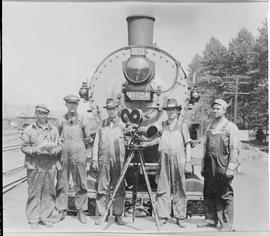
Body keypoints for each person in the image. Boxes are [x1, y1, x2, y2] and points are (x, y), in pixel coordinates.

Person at [197, 99, 239, 232]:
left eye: (218, 108)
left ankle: (226, 223)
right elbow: (205, 148)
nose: (215, 111)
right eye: (214, 109)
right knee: (208, 191)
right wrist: (203, 165)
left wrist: (231, 168)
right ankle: (210, 219)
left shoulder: (230, 127)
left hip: (223, 164)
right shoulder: (210, 126)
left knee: (224, 193)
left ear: (224, 110)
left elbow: (234, 149)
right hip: (210, 164)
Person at [53, 95, 92, 224]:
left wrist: (84, 150)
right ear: (66, 105)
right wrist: (56, 159)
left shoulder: (83, 120)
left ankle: (81, 211)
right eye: (70, 104)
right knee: (61, 183)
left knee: (81, 183)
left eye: (74, 104)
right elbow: (54, 141)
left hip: (79, 155)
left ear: (77, 105)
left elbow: (88, 139)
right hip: (63, 155)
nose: (72, 106)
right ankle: (61, 211)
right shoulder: (60, 121)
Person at [21, 104, 62, 229]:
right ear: (36, 114)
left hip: (50, 165)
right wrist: (36, 150)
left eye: (44, 114)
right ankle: (33, 219)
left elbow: (60, 145)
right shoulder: (29, 130)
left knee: (49, 192)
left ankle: (45, 217)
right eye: (39, 113)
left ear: (47, 115)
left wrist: (55, 151)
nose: (42, 116)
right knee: (34, 192)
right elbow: (24, 147)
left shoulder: (53, 130)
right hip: (35, 165)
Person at [156, 98, 192, 228]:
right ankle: (163, 216)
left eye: (173, 110)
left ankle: (180, 217)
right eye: (169, 110)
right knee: (162, 186)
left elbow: (187, 144)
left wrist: (188, 161)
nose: (171, 112)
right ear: (166, 111)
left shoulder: (182, 126)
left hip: (179, 160)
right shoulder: (162, 125)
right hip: (164, 159)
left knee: (179, 187)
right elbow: (153, 136)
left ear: (177, 111)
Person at [92, 98, 126, 225]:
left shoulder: (123, 124)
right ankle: (102, 215)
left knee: (118, 187)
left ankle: (118, 215)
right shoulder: (102, 124)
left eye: (114, 109)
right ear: (107, 111)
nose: (112, 111)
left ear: (117, 109)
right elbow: (96, 142)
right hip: (104, 159)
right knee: (102, 187)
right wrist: (95, 159)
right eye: (109, 109)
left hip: (118, 161)